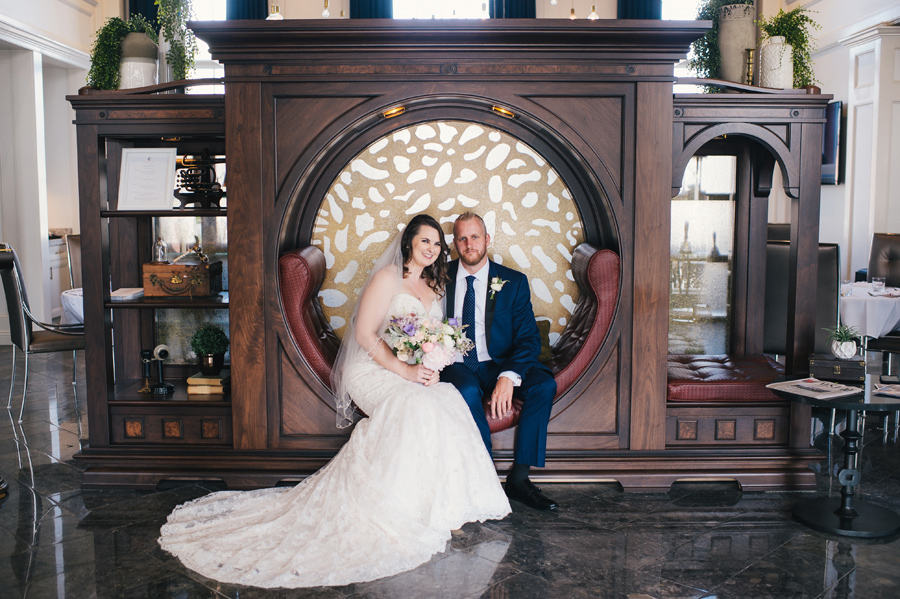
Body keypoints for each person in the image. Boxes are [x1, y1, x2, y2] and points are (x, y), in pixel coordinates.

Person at [158, 214, 510, 589]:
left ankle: (442, 506)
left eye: (437, 244)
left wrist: (430, 362)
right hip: (373, 369)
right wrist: (405, 372)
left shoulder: (434, 283)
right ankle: (401, 508)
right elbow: (363, 334)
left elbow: (432, 338)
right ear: (409, 242)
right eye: (425, 241)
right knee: (418, 406)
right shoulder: (387, 278)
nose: (432, 249)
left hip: (407, 369)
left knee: (447, 399)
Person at [441, 212, 559, 511]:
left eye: (475, 237)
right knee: (467, 392)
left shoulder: (513, 282)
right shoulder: (438, 277)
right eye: (462, 238)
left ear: (487, 239)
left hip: (497, 363)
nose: (469, 244)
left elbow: (529, 339)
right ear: (454, 243)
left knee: (543, 385)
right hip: (456, 363)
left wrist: (508, 375)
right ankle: (485, 477)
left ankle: (520, 479)